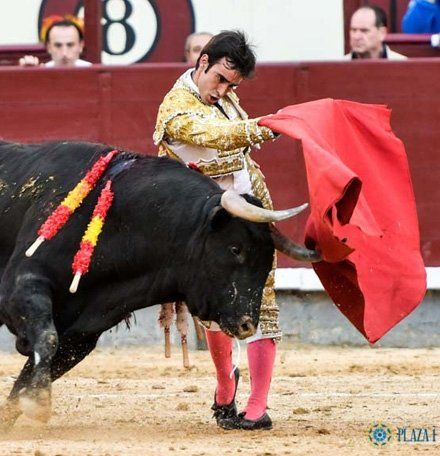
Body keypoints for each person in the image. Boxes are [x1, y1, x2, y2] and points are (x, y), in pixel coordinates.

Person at [154, 30, 280, 431]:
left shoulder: (225, 99)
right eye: (220, 80)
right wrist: (262, 126)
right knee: (212, 308)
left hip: (250, 211)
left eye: (232, 85)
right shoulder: (175, 106)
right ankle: (226, 384)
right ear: (203, 62)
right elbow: (213, 135)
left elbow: (238, 151)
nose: (222, 91)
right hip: (208, 224)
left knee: (262, 302)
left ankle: (257, 407)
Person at [19, 15, 91, 67]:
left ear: (81, 46)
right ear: (49, 47)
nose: (64, 53)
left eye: (70, 45)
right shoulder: (41, 72)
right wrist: (27, 75)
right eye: (58, 45)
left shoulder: (94, 74)